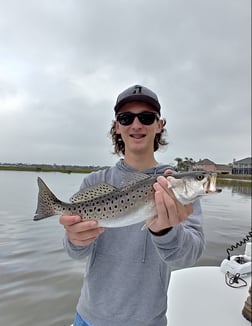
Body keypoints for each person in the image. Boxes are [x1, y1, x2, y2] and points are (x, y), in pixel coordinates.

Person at [60, 85, 205, 326]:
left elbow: (187, 258)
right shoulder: (94, 181)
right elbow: (75, 252)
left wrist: (166, 231)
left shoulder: (177, 186)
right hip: (88, 317)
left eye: (146, 117)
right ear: (116, 126)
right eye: (126, 118)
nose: (136, 125)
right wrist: (75, 239)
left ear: (160, 125)